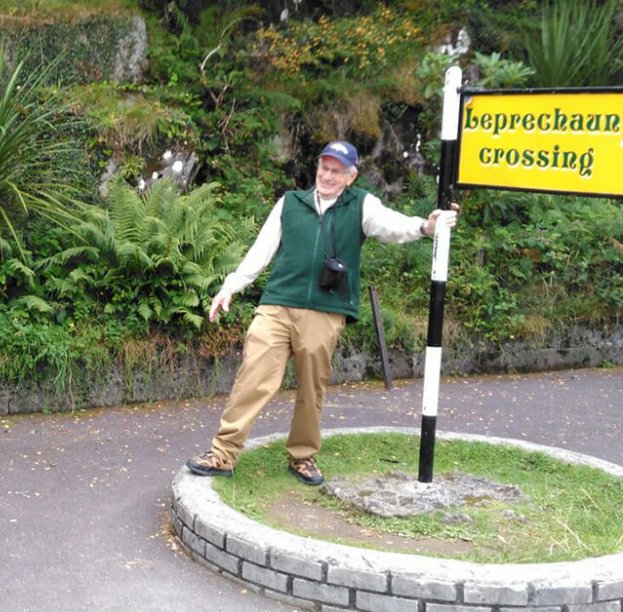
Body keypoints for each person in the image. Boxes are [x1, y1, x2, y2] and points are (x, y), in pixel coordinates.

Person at [186, 140, 458, 485]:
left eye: (336, 170)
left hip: (325, 311)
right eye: (324, 168)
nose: (327, 175)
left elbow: (390, 226)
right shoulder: (290, 203)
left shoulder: (361, 205)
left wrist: (424, 226)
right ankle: (223, 454)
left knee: (311, 389)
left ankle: (302, 456)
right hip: (277, 305)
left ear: (350, 176)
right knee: (253, 375)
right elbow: (261, 250)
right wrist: (230, 287)